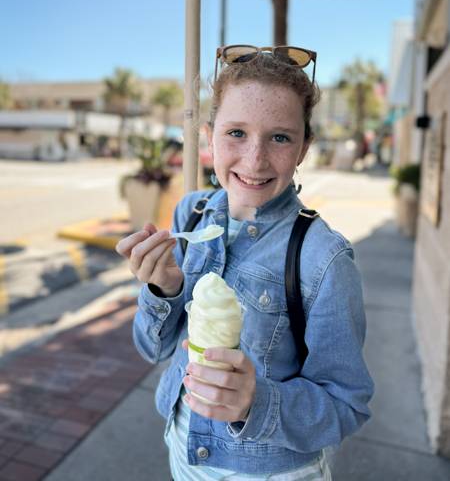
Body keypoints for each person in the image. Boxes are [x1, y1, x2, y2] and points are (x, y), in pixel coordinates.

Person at [116, 46, 374, 480]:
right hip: (182, 452)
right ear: (209, 136)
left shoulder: (324, 260)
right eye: (236, 132)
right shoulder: (191, 214)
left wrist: (258, 402)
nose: (255, 160)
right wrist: (164, 290)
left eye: (280, 137)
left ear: (304, 147)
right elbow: (153, 349)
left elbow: (346, 406)